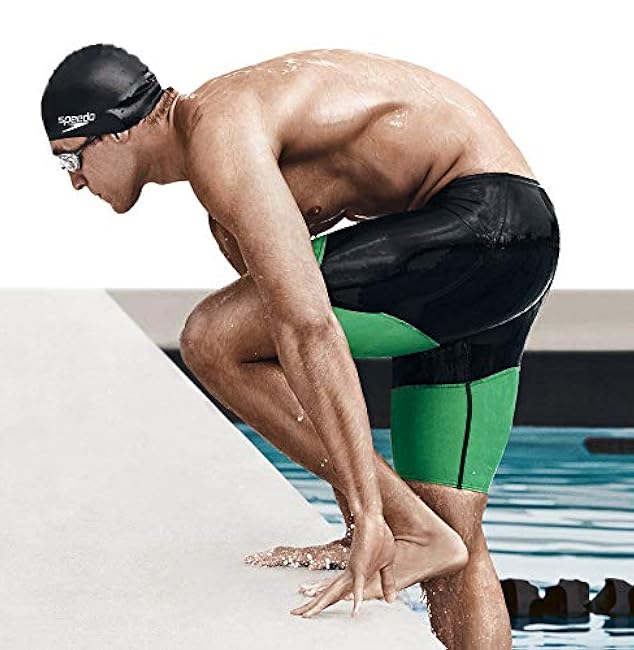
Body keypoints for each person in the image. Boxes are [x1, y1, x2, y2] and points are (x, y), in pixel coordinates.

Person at [42, 44, 560, 648]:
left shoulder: (219, 134)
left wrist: (372, 513)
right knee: (455, 534)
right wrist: (363, 520)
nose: (74, 180)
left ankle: (411, 527)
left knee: (213, 339)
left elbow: (308, 328)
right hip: (510, 247)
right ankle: (420, 528)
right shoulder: (233, 165)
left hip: (481, 226)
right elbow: (301, 359)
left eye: (70, 157)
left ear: (116, 130)